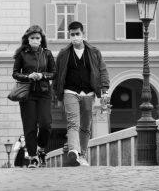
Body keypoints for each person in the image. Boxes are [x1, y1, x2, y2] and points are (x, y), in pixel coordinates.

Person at [53, 21, 110, 167]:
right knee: (73, 123)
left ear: (83, 34)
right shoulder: (64, 53)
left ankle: (82, 155)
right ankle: (73, 151)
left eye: (77, 34)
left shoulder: (94, 52)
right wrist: (58, 95)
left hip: (89, 94)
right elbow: (57, 74)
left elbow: (102, 71)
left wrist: (105, 90)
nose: (75, 37)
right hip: (70, 92)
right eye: (72, 34)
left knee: (85, 126)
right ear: (69, 35)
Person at [12, 25, 56, 168]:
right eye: (32, 38)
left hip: (44, 92)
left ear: (41, 39)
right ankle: (32, 157)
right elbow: (15, 73)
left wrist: (42, 75)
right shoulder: (21, 54)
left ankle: (41, 149)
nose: (35, 40)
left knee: (46, 124)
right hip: (28, 93)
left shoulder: (47, 54)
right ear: (28, 39)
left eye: (37, 38)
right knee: (30, 126)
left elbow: (54, 73)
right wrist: (28, 76)